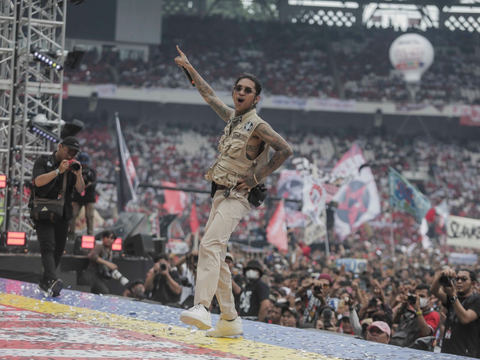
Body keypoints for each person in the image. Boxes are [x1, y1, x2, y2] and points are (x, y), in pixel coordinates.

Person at [175, 46, 293, 338]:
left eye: (247, 90)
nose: (240, 92)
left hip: (238, 196)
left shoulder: (258, 125)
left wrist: (255, 177)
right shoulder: (232, 118)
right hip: (220, 192)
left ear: (256, 98)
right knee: (218, 255)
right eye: (238, 88)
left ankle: (202, 306)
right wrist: (190, 70)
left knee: (210, 245)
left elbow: (285, 149)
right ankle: (229, 319)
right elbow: (209, 96)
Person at [30, 136, 84, 297]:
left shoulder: (72, 167)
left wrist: (79, 173)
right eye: (68, 152)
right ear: (59, 147)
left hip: (64, 212)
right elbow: (38, 182)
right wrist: (57, 171)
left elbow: (80, 189)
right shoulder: (44, 161)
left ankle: (45, 282)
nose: (70, 156)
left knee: (59, 250)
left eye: (74, 153)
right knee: (48, 245)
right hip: (44, 211)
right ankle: (53, 280)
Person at [431, 268, 480, 358]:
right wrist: (441, 275)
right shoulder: (451, 298)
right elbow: (434, 290)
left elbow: (465, 319)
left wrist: (453, 296)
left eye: (464, 279)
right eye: (457, 279)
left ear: (473, 284)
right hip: (447, 351)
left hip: (466, 354)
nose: (459, 282)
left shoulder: (476, 300)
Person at [390, 283, 440, 348]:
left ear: (429, 299)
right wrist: (403, 306)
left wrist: (418, 310)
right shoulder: (412, 313)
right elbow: (395, 321)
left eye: (422, 296)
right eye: (416, 296)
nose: (418, 299)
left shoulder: (433, 314)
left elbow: (426, 333)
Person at [78, 230, 118, 294]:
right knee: (103, 291)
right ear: (103, 238)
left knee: (100, 292)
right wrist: (108, 264)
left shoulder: (110, 251)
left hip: (99, 276)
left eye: (111, 238)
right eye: (107, 237)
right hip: (91, 274)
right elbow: (92, 256)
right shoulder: (99, 246)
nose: (108, 239)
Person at [69, 153, 97, 239]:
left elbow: (95, 183)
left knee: (89, 215)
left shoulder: (92, 172)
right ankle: (71, 234)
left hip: (89, 198)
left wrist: (89, 184)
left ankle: (90, 234)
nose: (84, 166)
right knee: (72, 215)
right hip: (77, 197)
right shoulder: (75, 171)